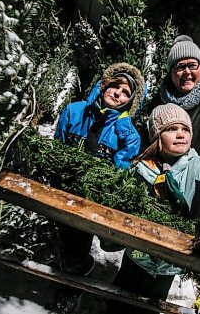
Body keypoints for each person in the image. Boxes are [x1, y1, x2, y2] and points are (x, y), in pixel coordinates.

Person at [106, 103, 200, 314]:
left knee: (147, 307)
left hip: (169, 261)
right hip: (136, 256)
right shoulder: (140, 169)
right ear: (156, 136)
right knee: (117, 300)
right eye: (171, 129)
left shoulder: (199, 168)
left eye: (185, 129)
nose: (180, 134)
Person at [53, 62, 146, 275]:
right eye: (115, 86)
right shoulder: (74, 111)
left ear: (130, 102)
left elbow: (119, 170)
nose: (117, 94)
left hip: (92, 197)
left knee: (78, 237)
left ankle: (76, 270)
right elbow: (57, 146)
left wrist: (125, 133)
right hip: (64, 185)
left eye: (125, 93)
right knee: (61, 230)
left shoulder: (128, 134)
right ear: (104, 85)